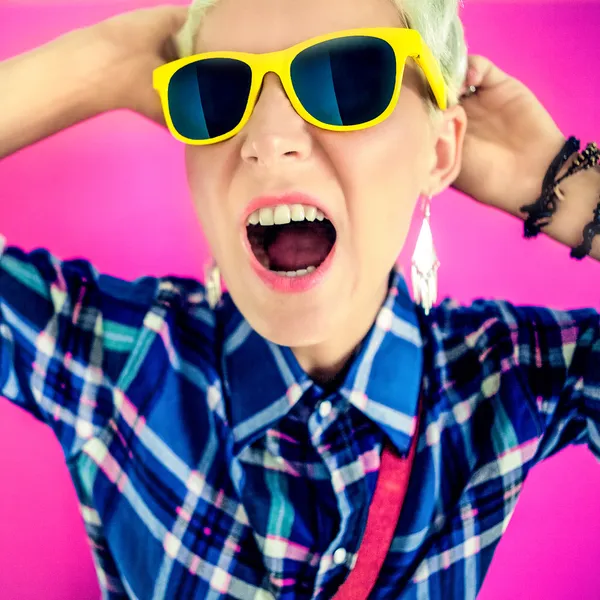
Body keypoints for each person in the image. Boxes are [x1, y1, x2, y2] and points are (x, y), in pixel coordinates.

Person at [0, 0, 599, 598]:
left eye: (348, 79)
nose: (268, 139)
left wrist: (558, 183)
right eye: (218, 89)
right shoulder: (121, 362)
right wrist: (106, 60)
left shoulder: (515, 381)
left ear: (441, 153)